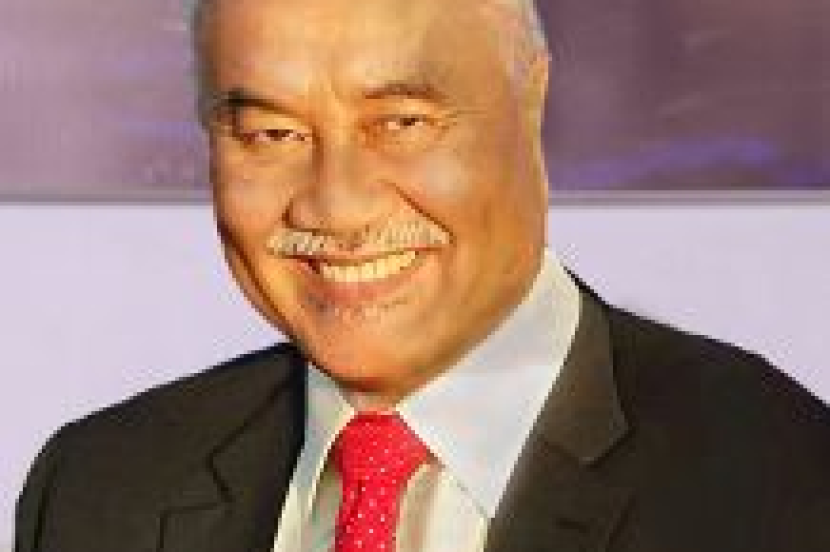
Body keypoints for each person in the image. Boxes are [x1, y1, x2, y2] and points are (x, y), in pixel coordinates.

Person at [15, 0, 830, 550]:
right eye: (271, 134)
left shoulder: (778, 481)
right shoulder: (99, 489)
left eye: (400, 123)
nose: (335, 205)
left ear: (532, 101)